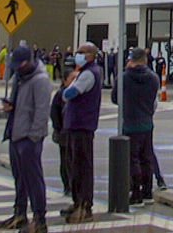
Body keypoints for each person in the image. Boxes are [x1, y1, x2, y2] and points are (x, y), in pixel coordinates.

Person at [0, 46, 54, 233]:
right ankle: (19, 214)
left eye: (20, 64)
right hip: (15, 133)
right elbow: (21, 105)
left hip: (29, 138)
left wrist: (33, 137)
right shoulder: (20, 78)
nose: (17, 68)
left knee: (33, 179)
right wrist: (10, 107)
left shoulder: (40, 80)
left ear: (29, 61)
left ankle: (39, 219)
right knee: (19, 178)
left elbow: (41, 111)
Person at [111, 48, 160, 207]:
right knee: (146, 158)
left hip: (130, 121)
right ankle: (147, 191)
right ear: (145, 59)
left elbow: (115, 98)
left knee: (133, 159)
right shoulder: (153, 78)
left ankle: (136, 193)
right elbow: (153, 99)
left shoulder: (124, 77)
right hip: (147, 121)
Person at [60, 43, 102, 223]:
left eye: (81, 52)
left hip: (81, 126)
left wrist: (66, 89)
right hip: (77, 125)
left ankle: (84, 205)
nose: (77, 55)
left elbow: (69, 93)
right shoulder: (85, 72)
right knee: (74, 166)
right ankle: (78, 201)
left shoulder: (88, 74)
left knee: (81, 167)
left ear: (90, 55)